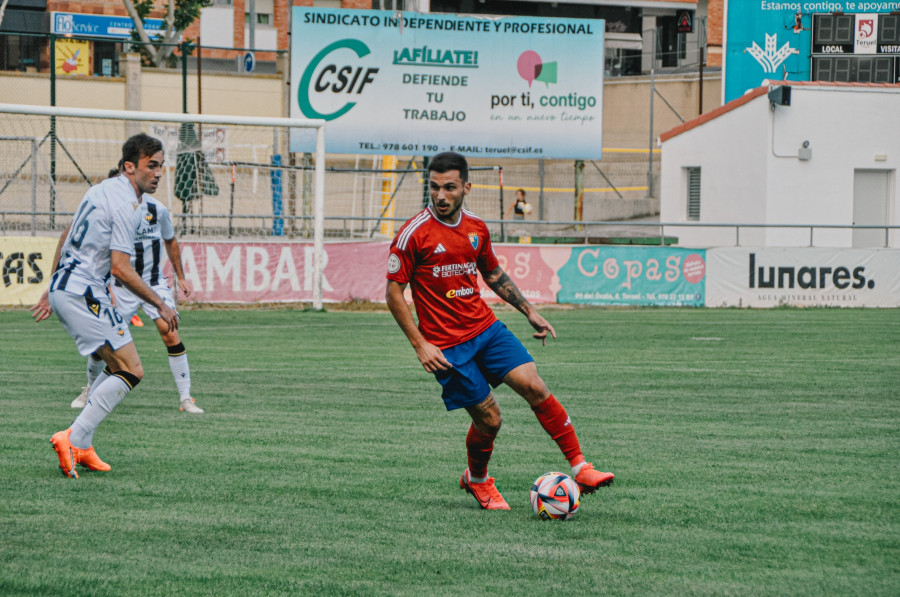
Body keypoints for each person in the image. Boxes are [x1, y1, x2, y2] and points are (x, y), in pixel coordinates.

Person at [385, 152, 614, 510]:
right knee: (491, 420)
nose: (440, 195)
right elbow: (393, 292)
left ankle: (580, 467)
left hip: (486, 328)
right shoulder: (413, 234)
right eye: (434, 187)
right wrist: (420, 344)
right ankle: (477, 481)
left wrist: (530, 312)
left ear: (466, 187)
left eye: (449, 187)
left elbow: (492, 273)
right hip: (448, 347)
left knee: (535, 385)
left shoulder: (476, 228)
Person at [31, 133, 179, 478]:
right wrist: (161, 304)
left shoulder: (99, 189)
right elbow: (121, 268)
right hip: (84, 291)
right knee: (132, 369)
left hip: (69, 286)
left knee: (116, 364)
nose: (157, 173)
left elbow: (67, 234)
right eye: (151, 166)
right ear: (130, 167)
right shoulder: (126, 205)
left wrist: (51, 285)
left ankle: (82, 444)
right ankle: (72, 436)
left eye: (160, 166)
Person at [70, 164, 202, 414]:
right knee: (105, 343)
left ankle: (186, 398)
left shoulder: (156, 209)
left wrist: (181, 277)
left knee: (170, 332)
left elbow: (170, 239)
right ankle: (89, 388)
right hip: (120, 286)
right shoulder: (107, 212)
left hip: (153, 284)